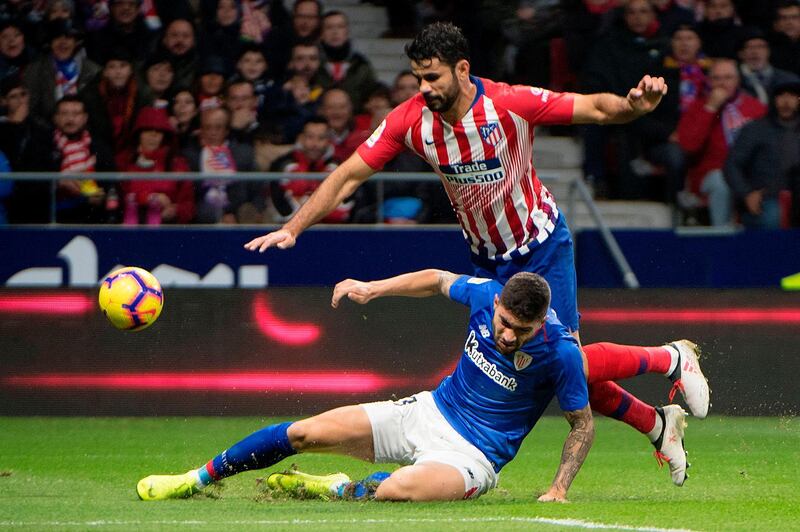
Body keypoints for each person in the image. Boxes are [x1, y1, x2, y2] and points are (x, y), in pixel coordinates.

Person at [243, 22, 710, 476]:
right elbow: (348, 174)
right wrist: (295, 226)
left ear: (462, 69)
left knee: (565, 360)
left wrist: (635, 105)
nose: (423, 87)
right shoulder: (410, 121)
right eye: (417, 78)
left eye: (432, 77)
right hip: (487, 261)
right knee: (548, 368)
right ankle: (655, 422)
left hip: (541, 247)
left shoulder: (510, 103)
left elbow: (598, 109)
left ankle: (671, 358)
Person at [137, 269, 707, 502]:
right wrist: (372, 288)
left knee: (394, 492)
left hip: (474, 458)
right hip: (423, 411)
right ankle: (193, 479)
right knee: (306, 430)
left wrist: (558, 487)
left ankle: (333, 488)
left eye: (518, 329)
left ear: (539, 324)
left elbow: (582, 426)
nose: (506, 334)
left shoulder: (559, 353)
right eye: (504, 322)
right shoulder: (486, 295)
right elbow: (436, 279)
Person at [676, 58, 766, 226]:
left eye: (728, 77)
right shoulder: (698, 107)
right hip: (710, 176)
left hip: (750, 176)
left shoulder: (756, 108)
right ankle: (723, 234)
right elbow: (688, 146)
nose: (722, 83)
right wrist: (710, 108)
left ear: (738, 80)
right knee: (721, 180)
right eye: (717, 78)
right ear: (709, 81)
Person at [724, 80, 800, 228]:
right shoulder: (755, 129)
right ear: (773, 99)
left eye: (792, 96)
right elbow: (732, 165)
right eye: (781, 96)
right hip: (765, 197)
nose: (786, 101)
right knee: (772, 218)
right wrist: (746, 193)